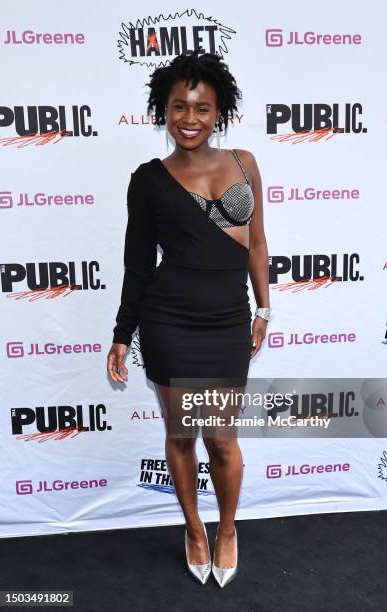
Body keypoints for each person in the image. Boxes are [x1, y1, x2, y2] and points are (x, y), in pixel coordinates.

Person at [107, 49, 272, 588]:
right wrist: (120, 336)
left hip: (227, 321)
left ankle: (227, 529)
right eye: (179, 107)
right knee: (181, 436)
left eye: (202, 108)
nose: (190, 119)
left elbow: (258, 243)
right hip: (168, 322)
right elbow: (137, 265)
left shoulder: (245, 163)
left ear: (219, 111)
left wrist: (263, 306)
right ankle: (194, 529)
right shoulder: (149, 179)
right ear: (164, 111)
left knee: (222, 438)